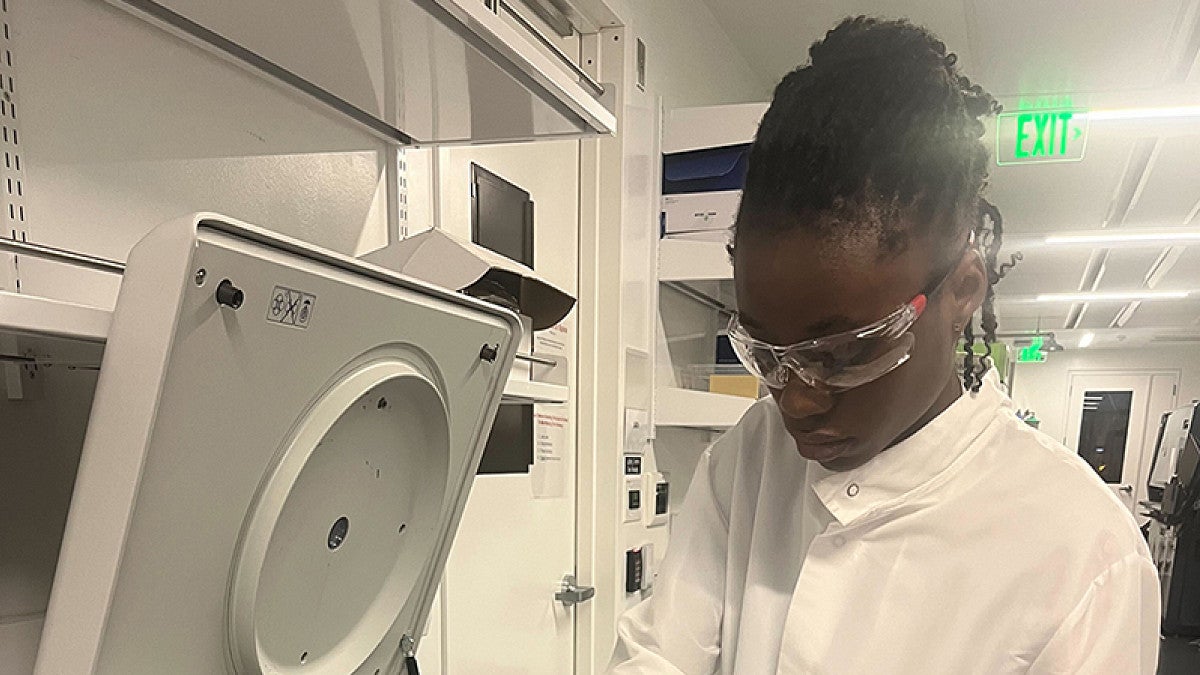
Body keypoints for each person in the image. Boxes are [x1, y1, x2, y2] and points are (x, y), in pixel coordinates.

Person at [608, 16, 1159, 675]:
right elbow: (659, 652)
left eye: (841, 354)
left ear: (961, 293)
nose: (797, 402)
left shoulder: (1083, 553)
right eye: (768, 353)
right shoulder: (746, 460)